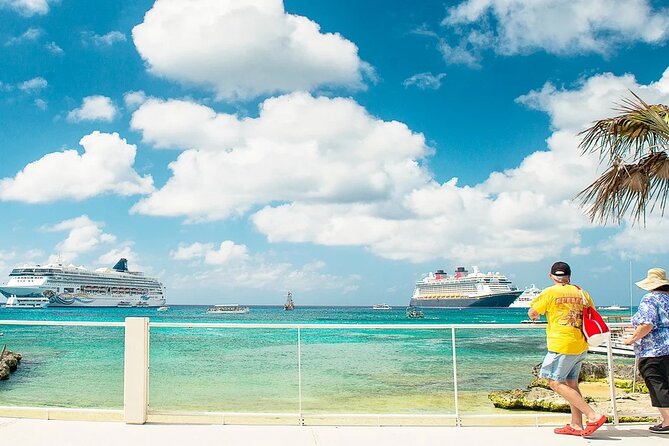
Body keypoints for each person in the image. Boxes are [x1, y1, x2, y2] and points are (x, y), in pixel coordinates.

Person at [528, 261, 607, 436]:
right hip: (580, 343)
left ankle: (593, 415)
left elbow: (533, 312)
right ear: (569, 276)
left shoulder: (550, 292)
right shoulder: (582, 292)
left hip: (561, 344)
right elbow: (591, 312)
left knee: (554, 381)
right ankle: (576, 425)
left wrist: (536, 315)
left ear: (551, 276)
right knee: (572, 383)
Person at [623, 267, 669, 434]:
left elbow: (647, 324)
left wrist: (632, 339)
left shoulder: (650, 299)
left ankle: (667, 422)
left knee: (657, 383)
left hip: (654, 349)